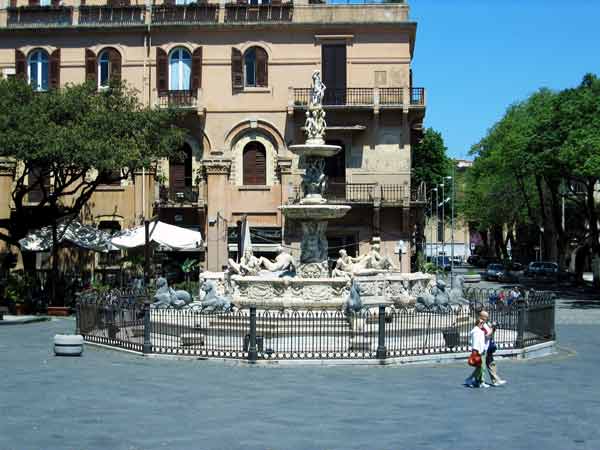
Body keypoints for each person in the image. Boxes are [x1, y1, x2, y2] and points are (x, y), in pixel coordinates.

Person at [481, 310, 507, 386]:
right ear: (482, 317)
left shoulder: (486, 324)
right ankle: (478, 381)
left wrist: (494, 328)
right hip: (483, 347)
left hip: (488, 347)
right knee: (481, 367)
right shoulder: (481, 325)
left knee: (491, 364)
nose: (487, 318)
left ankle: (496, 380)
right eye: (486, 316)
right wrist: (492, 328)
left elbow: (491, 334)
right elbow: (486, 335)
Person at [465, 311, 489, 388]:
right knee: (481, 367)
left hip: (481, 350)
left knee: (481, 367)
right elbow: (475, 342)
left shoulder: (479, 330)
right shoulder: (476, 331)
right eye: (481, 323)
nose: (483, 324)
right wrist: (476, 351)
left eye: (483, 323)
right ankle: (470, 379)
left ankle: (476, 381)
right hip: (478, 351)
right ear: (478, 323)